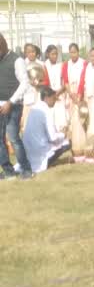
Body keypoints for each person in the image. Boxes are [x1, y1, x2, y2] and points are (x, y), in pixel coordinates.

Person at [0, 32, 34, 180]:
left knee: (13, 138)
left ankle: (26, 169)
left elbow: (25, 83)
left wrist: (11, 101)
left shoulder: (17, 60)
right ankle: (8, 170)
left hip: (12, 105)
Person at [22, 86, 69, 173]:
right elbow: (53, 138)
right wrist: (63, 134)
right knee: (67, 143)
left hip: (27, 150)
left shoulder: (34, 108)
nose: (55, 101)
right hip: (40, 151)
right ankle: (48, 162)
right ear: (47, 98)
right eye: (54, 98)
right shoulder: (47, 111)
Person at [44, 45, 67, 133]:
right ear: (47, 54)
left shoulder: (60, 65)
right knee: (50, 118)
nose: (55, 56)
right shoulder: (44, 66)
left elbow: (64, 82)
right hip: (48, 96)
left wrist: (59, 92)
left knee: (60, 118)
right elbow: (44, 82)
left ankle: (61, 140)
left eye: (56, 54)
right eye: (52, 54)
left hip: (59, 94)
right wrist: (51, 95)